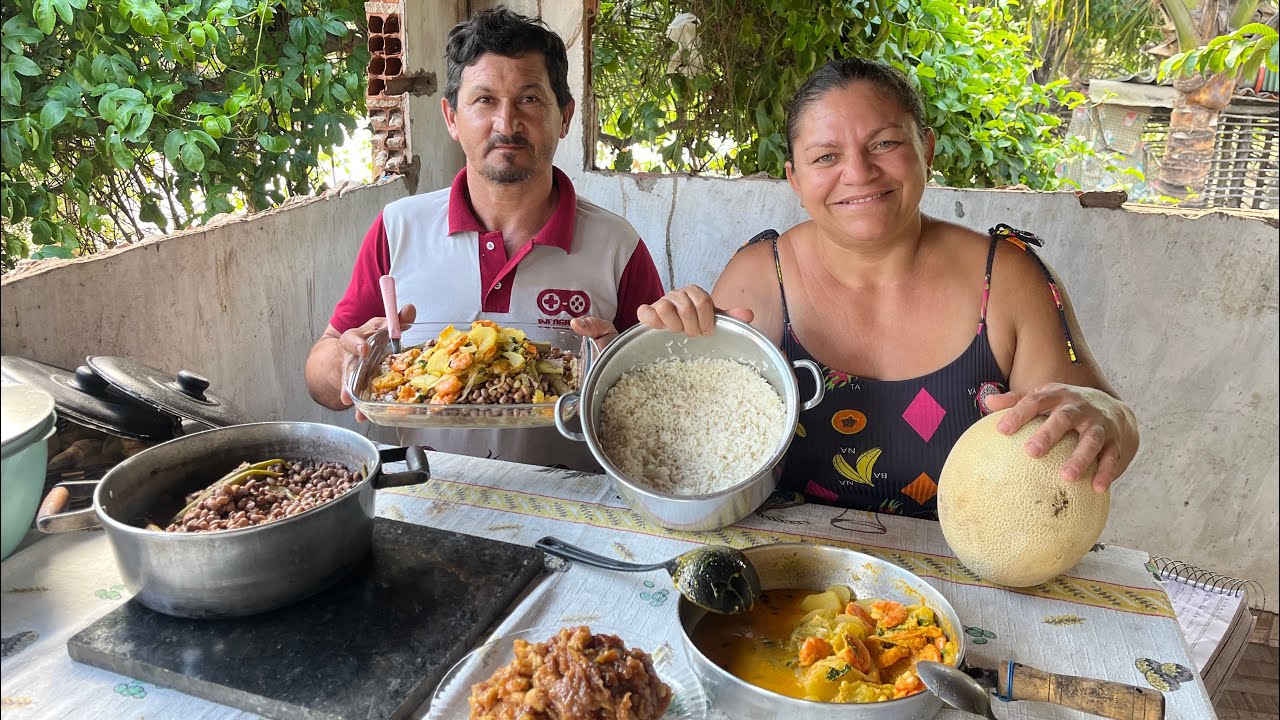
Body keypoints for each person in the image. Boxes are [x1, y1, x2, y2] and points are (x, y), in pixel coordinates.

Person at [626, 57, 1138, 519]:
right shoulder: (758, 278)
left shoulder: (1007, 280)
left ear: (927, 149)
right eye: (826, 157)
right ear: (795, 180)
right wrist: (652, 355)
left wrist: (1107, 418)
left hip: (964, 593)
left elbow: (1101, 426)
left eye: (885, 144)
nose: (859, 173)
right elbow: (693, 453)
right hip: (785, 585)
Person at [305, 7, 665, 469]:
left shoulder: (617, 246)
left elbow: (653, 398)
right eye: (484, 100)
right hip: (428, 497)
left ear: (566, 117)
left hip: (572, 511)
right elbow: (320, 372)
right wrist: (346, 362)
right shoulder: (398, 228)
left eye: (530, 100)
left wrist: (614, 370)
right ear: (451, 117)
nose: (506, 123)